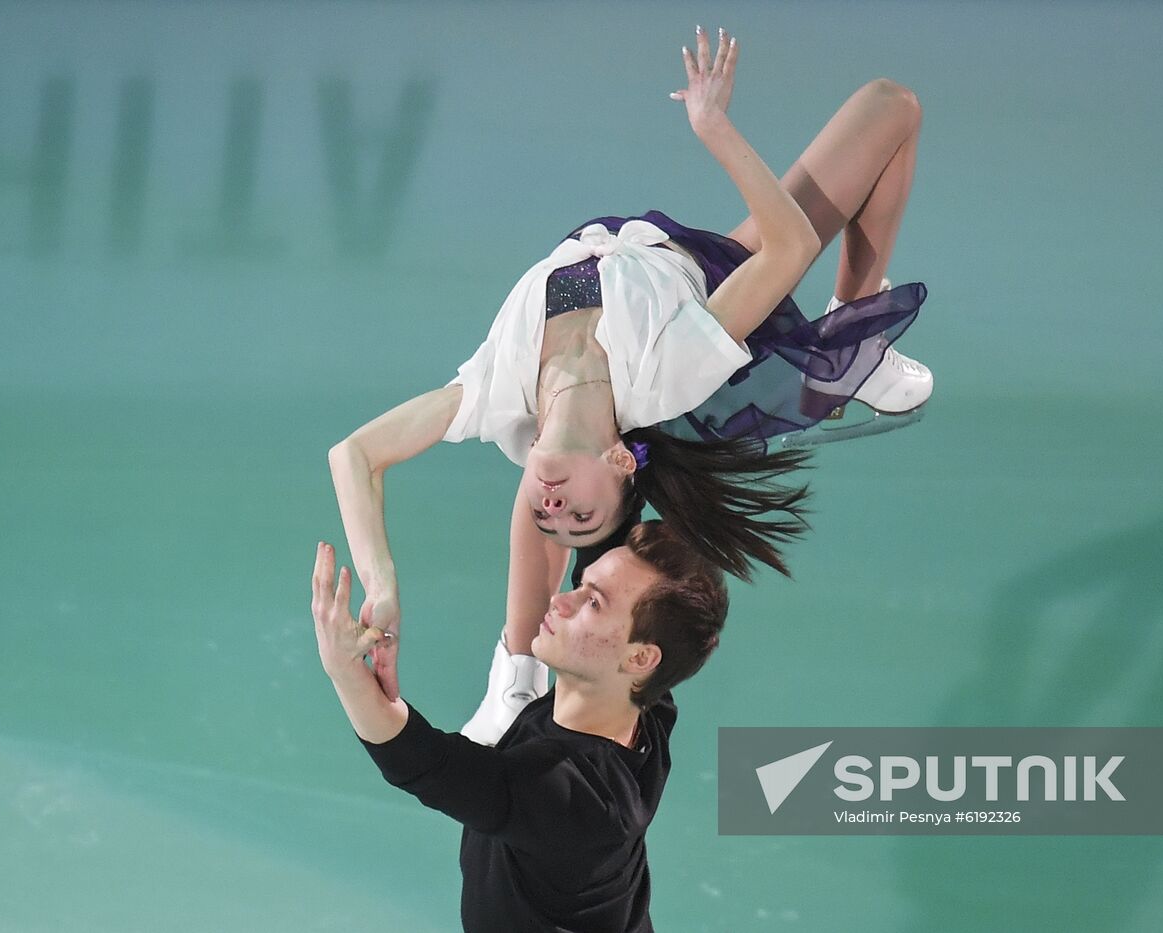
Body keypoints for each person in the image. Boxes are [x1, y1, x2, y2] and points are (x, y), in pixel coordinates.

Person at [328, 26, 932, 742]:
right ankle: (852, 332)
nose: (555, 510)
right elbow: (790, 244)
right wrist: (713, 127)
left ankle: (514, 668)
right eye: (579, 518)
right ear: (620, 461)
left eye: (549, 516)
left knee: (891, 108)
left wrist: (383, 581)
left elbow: (354, 455)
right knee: (890, 108)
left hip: (651, 259)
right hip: (716, 275)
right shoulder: (667, 371)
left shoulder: (496, 392)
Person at [309, 521, 728, 933]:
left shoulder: (572, 799)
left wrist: (344, 668)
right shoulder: (646, 704)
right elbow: (586, 518)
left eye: (594, 603)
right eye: (581, 584)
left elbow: (420, 762)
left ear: (640, 658)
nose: (563, 601)